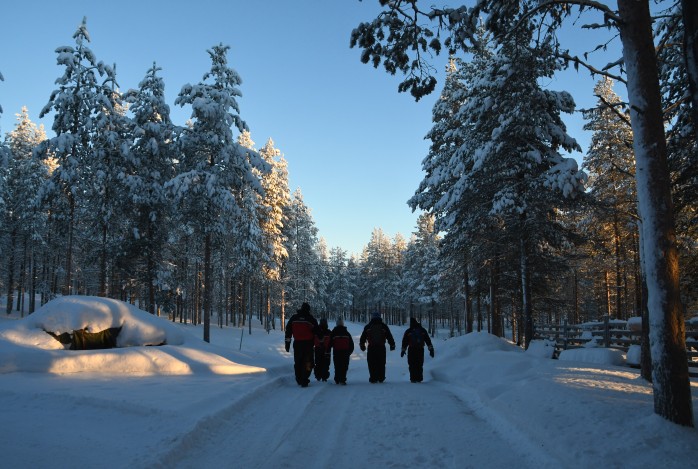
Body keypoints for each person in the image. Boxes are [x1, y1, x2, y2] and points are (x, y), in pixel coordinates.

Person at [284, 302, 320, 387]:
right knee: (308, 362)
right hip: (308, 344)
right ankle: (304, 379)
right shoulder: (310, 319)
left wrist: (287, 343)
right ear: (308, 309)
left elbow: (288, 331)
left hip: (297, 343)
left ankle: (299, 378)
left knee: (298, 361)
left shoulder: (294, 318)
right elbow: (317, 332)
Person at [359, 312, 395, 383]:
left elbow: (363, 337)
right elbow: (389, 336)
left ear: (372, 317)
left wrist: (362, 345)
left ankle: (373, 378)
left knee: (371, 363)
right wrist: (392, 345)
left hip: (371, 347)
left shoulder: (368, 326)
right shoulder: (384, 326)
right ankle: (381, 378)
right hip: (381, 347)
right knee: (381, 362)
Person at [401, 317, 435, 383]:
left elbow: (405, 341)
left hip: (411, 349)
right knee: (419, 364)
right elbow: (428, 340)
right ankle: (419, 379)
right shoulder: (422, 330)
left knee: (412, 364)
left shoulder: (409, 331)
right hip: (420, 349)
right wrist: (431, 349)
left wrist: (403, 350)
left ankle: (413, 379)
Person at [329, 316, 354, 385]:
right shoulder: (347, 333)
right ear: (343, 324)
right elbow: (351, 344)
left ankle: (337, 379)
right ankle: (342, 379)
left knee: (337, 365)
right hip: (345, 352)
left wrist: (327, 350)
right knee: (344, 366)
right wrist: (349, 352)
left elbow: (329, 343)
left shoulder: (333, 333)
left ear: (336, 324)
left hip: (336, 352)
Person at [314, 317, 331, 382]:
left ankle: (318, 376)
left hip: (318, 349)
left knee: (318, 363)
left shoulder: (316, 332)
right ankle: (324, 377)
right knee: (326, 364)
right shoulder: (329, 332)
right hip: (327, 350)